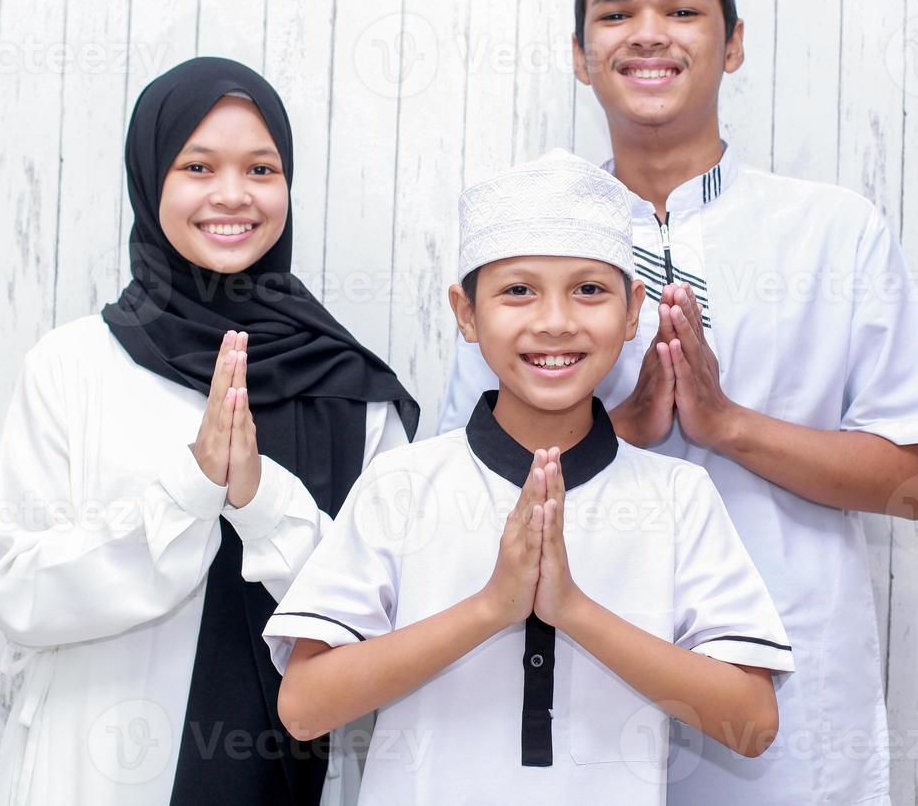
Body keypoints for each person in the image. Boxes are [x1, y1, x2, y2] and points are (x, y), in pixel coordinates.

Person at [439, 0, 918, 805]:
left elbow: (914, 484)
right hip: (565, 681)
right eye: (617, 14)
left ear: (735, 42)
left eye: (683, 10)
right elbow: (452, 497)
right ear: (579, 54)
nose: (650, 35)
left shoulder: (834, 232)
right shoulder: (520, 246)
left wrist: (725, 425)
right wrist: (625, 433)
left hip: (779, 687)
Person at [262, 149, 793, 805]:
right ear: (465, 311)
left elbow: (752, 722)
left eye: (589, 290)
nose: (554, 321)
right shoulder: (401, 486)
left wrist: (572, 610)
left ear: (632, 313)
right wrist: (491, 608)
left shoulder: (678, 498)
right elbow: (305, 708)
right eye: (518, 290)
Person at [0, 57, 419, 806]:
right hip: (90, 773)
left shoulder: (350, 392)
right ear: (152, 180)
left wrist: (260, 501)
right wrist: (189, 493)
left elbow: (388, 627)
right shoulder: (75, 364)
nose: (232, 195)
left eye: (260, 168)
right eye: (197, 165)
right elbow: (21, 596)